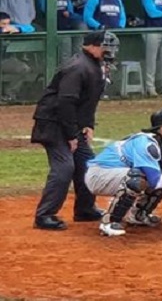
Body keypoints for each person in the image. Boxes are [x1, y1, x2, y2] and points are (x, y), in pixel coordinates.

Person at [30, 31, 120, 230]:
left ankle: (85, 209)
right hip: (53, 124)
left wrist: (88, 125)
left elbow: (88, 102)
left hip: (70, 123)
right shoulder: (78, 67)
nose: (109, 51)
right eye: (106, 46)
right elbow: (66, 102)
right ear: (93, 46)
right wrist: (72, 135)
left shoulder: (94, 65)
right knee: (64, 167)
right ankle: (44, 216)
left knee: (88, 165)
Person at [84, 108, 162, 237]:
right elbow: (155, 181)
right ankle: (109, 222)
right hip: (99, 175)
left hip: (117, 174)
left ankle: (138, 215)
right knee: (137, 178)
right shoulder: (147, 144)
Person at [38, 0, 76, 65]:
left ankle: (67, 69)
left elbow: (70, 9)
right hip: (50, 26)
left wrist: (68, 12)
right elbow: (44, 9)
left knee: (66, 49)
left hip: (64, 26)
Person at [0, 11, 35, 101]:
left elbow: (30, 28)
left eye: (8, 23)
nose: (6, 26)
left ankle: (10, 94)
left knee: (24, 68)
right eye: (3, 24)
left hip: (5, 60)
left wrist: (18, 30)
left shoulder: (11, 27)